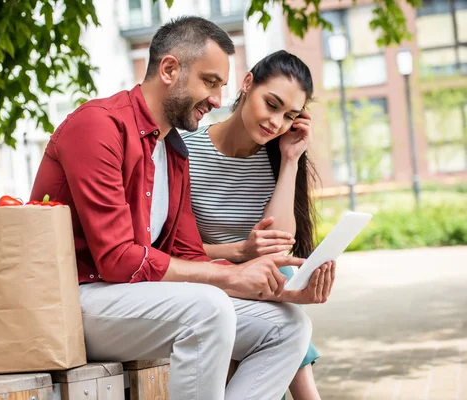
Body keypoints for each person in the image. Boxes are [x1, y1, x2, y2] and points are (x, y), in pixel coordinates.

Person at [31, 17, 334, 400]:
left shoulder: (174, 150)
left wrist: (282, 292)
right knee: (208, 308)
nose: (217, 100)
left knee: (289, 327)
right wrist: (232, 277)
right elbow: (116, 259)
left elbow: (187, 254)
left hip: (134, 301)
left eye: (221, 86)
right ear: (170, 69)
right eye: (209, 82)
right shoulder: (98, 126)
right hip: (76, 300)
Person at [182, 50, 330, 399]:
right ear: (247, 83)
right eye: (272, 104)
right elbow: (169, 250)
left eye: (289, 115)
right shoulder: (184, 151)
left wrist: (291, 160)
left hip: (262, 284)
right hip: (203, 276)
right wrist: (238, 252)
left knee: (278, 274)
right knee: (282, 308)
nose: (276, 122)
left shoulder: (277, 158)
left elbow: (278, 244)